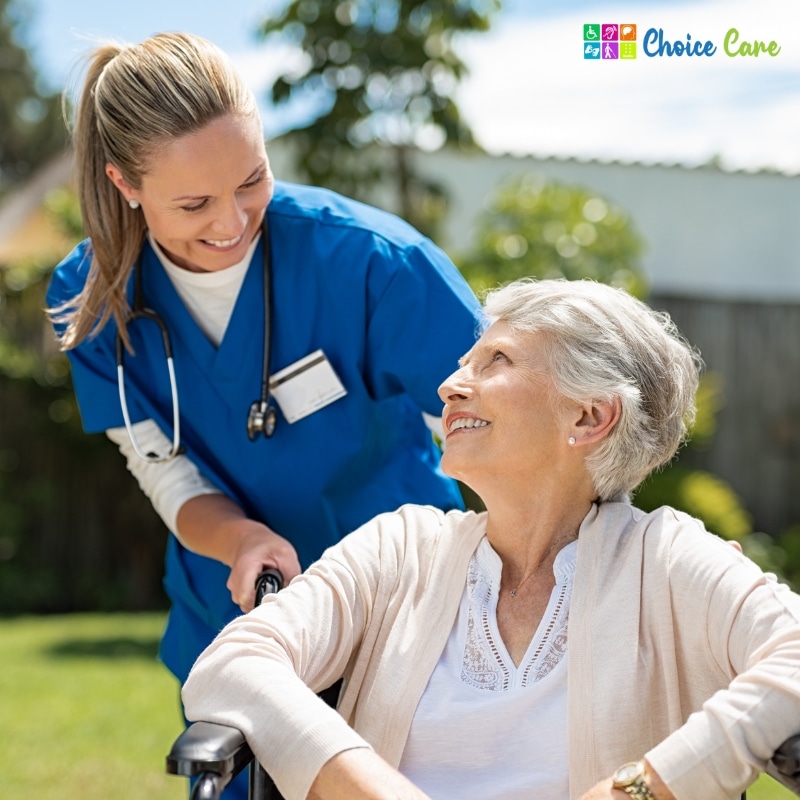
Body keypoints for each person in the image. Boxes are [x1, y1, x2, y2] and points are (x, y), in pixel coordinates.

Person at [46, 31, 480, 794]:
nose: (232, 220)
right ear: (124, 182)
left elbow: (508, 434)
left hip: (403, 620)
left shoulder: (375, 265)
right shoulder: (92, 302)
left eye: (252, 179)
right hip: (240, 625)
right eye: (193, 203)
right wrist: (241, 539)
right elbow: (163, 470)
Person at [182, 277, 800, 800]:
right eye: (461, 364)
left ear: (589, 417)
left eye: (495, 362)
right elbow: (232, 664)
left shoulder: (666, 560)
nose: (450, 386)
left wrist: (641, 787)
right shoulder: (400, 548)